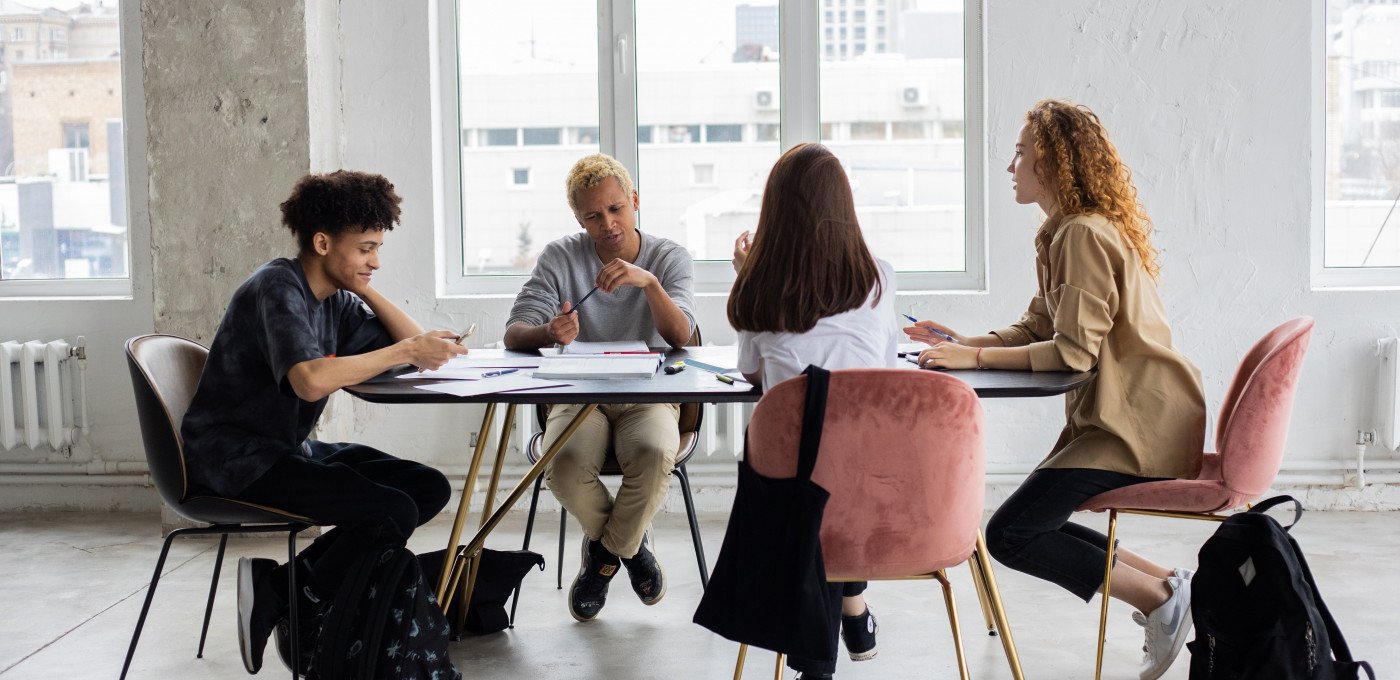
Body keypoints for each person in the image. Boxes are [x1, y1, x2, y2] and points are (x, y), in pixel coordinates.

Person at [906, 100, 1206, 680]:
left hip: (1137, 427)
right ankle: (1169, 586)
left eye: (1021, 152)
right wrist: (966, 341)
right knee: (1023, 524)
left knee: (1011, 534)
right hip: (1120, 420)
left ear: (1054, 160)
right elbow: (1040, 327)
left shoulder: (1083, 235)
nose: (1011, 165)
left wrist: (974, 357)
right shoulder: (1064, 231)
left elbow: (1072, 353)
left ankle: (1160, 601)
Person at [179, 170, 465, 675]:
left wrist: (367, 289)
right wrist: (404, 348)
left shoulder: (334, 299)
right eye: (366, 249)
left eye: (378, 248)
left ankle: (286, 588)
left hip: (283, 449)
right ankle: (297, 597)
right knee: (391, 511)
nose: (375, 260)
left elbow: (415, 351)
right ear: (321, 241)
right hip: (234, 458)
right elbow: (309, 380)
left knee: (427, 488)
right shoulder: (277, 287)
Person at [729, 142, 900, 680]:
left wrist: (745, 272)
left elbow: (752, 373)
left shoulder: (759, 287)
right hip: (877, 476)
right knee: (835, 475)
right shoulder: (879, 277)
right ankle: (853, 606)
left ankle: (819, 665)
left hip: (787, 490)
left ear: (773, 214)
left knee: (814, 481)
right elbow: (886, 370)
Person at [504, 153, 696, 622]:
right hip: (577, 394)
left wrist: (648, 284)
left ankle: (603, 558)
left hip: (648, 393)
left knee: (653, 455)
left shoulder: (668, 257)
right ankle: (632, 547)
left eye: (616, 209)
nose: (608, 223)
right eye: (593, 215)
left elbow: (682, 336)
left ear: (634, 202)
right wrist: (549, 332)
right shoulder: (560, 256)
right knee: (564, 466)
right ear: (578, 218)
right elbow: (515, 333)